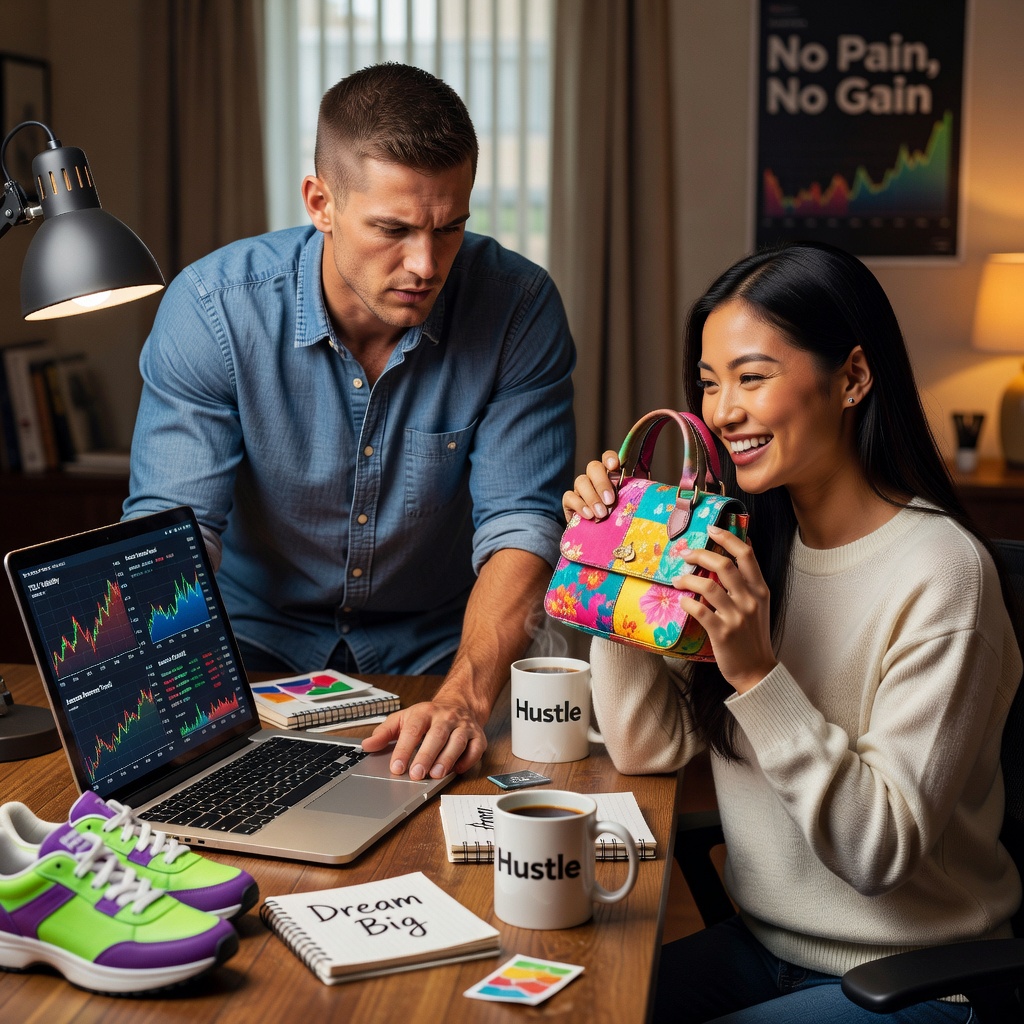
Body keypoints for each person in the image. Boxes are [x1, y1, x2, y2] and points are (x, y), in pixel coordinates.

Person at [564, 241, 1022, 1024]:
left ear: (852, 377)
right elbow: (646, 747)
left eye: (752, 376)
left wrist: (757, 676)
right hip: (762, 949)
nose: (722, 412)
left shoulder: (944, 573)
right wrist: (622, 572)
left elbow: (878, 851)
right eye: (708, 383)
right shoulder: (748, 542)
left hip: (914, 978)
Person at [125, 63, 575, 782]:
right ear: (320, 202)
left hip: (442, 652)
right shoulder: (214, 308)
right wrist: (173, 685)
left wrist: (463, 696)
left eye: (449, 228)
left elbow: (521, 522)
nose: (426, 264)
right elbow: (175, 527)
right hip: (254, 644)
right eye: (393, 229)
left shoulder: (518, 306)